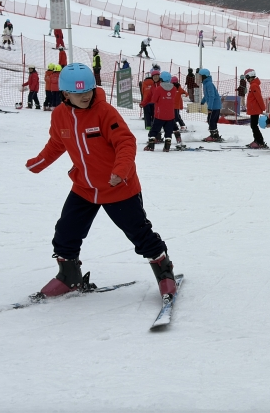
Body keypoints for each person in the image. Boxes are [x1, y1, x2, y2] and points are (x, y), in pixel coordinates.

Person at [25, 63, 177, 301]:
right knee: (65, 232)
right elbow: (57, 143)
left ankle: (164, 271)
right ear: (65, 94)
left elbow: (125, 142)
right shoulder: (59, 115)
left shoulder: (104, 112)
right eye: (78, 93)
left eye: (88, 90)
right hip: (84, 188)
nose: (85, 96)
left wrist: (120, 171)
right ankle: (68, 277)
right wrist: (39, 162)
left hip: (118, 187)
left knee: (139, 234)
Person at [141, 71, 178, 152]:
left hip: (160, 114)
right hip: (170, 115)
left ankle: (151, 146)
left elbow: (154, 100)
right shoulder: (174, 89)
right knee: (168, 131)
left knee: (154, 130)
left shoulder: (158, 89)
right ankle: (167, 147)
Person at [243, 69, 267, 148]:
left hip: (255, 109)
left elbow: (259, 98)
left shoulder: (254, 86)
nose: (247, 80)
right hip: (253, 109)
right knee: (253, 125)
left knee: (254, 125)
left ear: (250, 76)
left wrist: (263, 108)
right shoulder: (253, 85)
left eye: (247, 77)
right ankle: (258, 140)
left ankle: (259, 141)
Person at [199, 68, 223, 142]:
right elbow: (207, 95)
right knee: (211, 120)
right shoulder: (206, 84)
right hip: (214, 106)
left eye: (200, 76)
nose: (199, 77)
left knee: (211, 121)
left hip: (214, 106)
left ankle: (214, 136)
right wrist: (203, 101)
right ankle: (215, 135)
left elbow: (212, 96)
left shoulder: (208, 84)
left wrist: (210, 108)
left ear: (204, 76)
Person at [171, 76, 188, 149]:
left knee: (177, 117)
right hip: (171, 106)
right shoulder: (171, 88)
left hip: (176, 106)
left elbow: (186, 93)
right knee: (175, 117)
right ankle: (179, 126)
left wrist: (184, 94)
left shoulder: (179, 88)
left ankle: (182, 126)